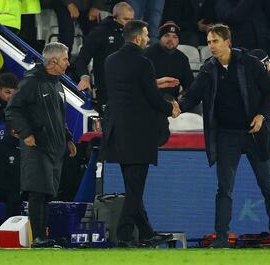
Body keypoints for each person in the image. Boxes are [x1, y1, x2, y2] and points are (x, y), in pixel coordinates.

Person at [179, 23, 270, 248]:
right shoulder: (209, 69)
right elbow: (192, 97)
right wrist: (173, 108)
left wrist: (261, 116)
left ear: (227, 42)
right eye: (208, 42)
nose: (211, 46)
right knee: (224, 188)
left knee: (267, 184)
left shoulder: (249, 63)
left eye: (215, 41)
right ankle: (221, 238)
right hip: (226, 135)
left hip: (254, 132)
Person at [102, 20, 180, 248]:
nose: (148, 39)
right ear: (138, 38)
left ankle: (146, 233)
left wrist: (153, 83)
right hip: (138, 135)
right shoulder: (143, 63)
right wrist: (171, 109)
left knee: (132, 187)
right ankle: (124, 235)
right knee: (135, 191)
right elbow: (152, 99)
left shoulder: (110, 61)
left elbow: (128, 89)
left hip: (118, 132)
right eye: (146, 35)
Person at [5, 42, 77, 248]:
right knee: (37, 191)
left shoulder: (57, 84)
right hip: (37, 147)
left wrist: (68, 138)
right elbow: (13, 109)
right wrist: (25, 134)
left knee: (46, 193)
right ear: (53, 61)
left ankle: (42, 236)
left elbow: (58, 117)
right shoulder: (31, 82)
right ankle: (38, 238)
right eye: (64, 59)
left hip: (55, 148)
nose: (67, 63)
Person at [74, 1, 134, 113]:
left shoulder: (134, 34)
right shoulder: (100, 32)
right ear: (114, 17)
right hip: (107, 91)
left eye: (131, 20)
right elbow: (82, 59)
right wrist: (84, 76)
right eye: (126, 19)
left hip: (131, 92)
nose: (129, 24)